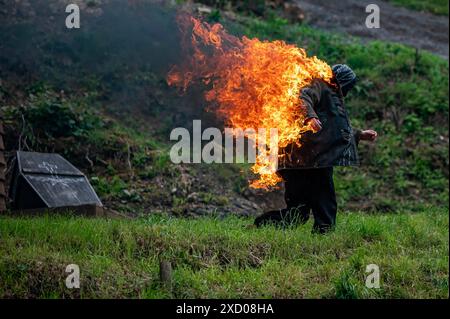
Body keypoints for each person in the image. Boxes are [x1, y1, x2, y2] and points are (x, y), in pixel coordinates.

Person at [254, 64, 378, 233]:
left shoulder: (331, 96)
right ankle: (323, 236)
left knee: (298, 213)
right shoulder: (320, 85)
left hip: (303, 161)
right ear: (342, 82)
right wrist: (310, 117)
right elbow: (303, 97)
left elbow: (333, 128)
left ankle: (261, 227)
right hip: (313, 159)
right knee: (323, 202)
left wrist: (359, 134)